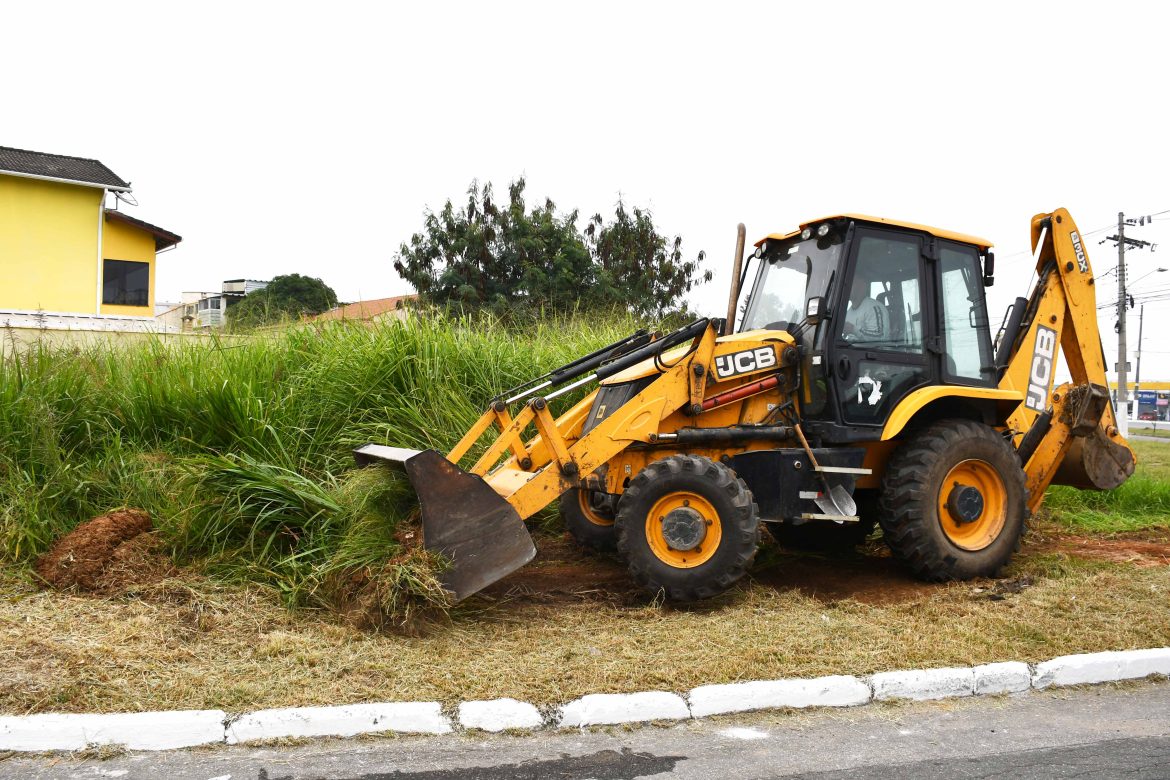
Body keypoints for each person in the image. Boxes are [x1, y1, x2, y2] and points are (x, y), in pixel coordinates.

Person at [843, 275, 889, 342]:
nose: (846, 287)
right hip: (851, 351)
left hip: (872, 352)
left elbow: (879, 337)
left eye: (851, 282)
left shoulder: (874, 308)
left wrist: (853, 329)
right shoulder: (848, 312)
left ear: (862, 286)